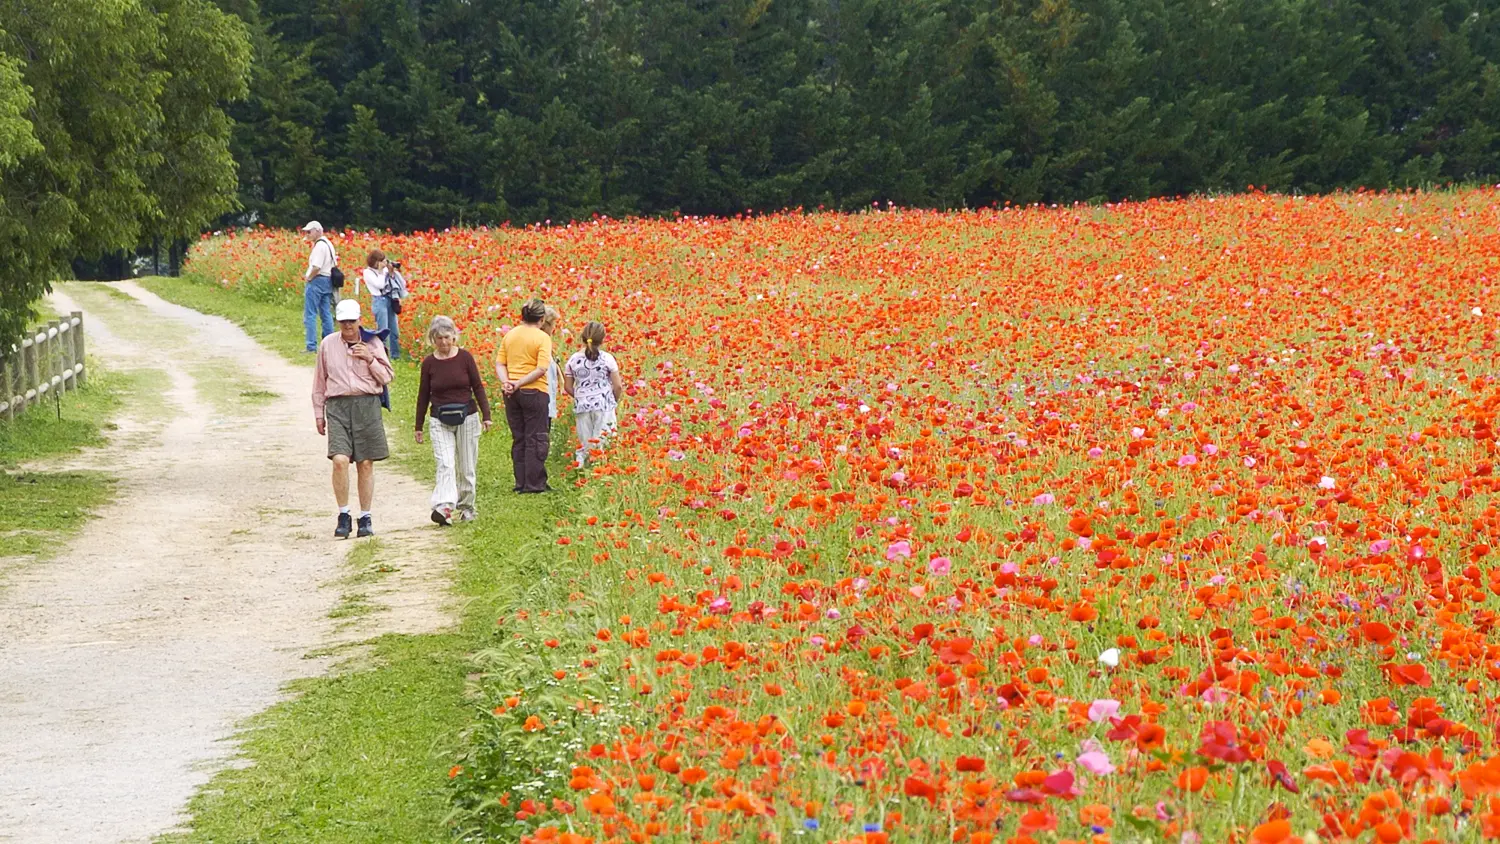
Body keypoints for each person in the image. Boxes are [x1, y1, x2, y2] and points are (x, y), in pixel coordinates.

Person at [312, 299, 394, 538]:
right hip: (337, 405)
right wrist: (319, 413)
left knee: (365, 463)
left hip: (366, 404)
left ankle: (365, 516)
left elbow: (387, 377)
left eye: (351, 321)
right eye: (343, 321)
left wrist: (369, 359)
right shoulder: (328, 344)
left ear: (360, 320)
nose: (348, 326)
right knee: (339, 459)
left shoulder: (373, 342)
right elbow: (319, 381)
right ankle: (344, 514)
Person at [415, 316, 492, 525]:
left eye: (447, 337)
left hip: (467, 416)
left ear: (454, 337)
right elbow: (423, 394)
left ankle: (467, 507)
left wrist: (487, 416)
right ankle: (445, 507)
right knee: (445, 463)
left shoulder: (465, 358)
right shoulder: (429, 363)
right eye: (439, 338)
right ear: (432, 339)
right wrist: (418, 426)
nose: (444, 343)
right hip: (439, 419)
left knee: (466, 466)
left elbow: (477, 386)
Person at [496, 299, 553, 493]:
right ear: (542, 318)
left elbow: (500, 363)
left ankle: (520, 481)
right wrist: (520, 382)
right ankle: (534, 483)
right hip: (534, 390)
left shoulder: (510, 335)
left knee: (519, 436)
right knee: (536, 436)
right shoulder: (542, 337)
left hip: (511, 392)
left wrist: (507, 383)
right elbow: (542, 368)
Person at [563, 321, 623, 467]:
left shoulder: (573, 360)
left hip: (582, 405)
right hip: (604, 404)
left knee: (585, 441)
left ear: (583, 337)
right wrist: (611, 400)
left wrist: (580, 397)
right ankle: (600, 471)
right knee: (602, 440)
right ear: (602, 339)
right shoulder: (607, 358)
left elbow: (568, 387)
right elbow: (618, 386)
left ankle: (581, 470)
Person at [302, 221, 338, 352]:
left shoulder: (319, 246)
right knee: (326, 313)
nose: (307, 234)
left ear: (317, 230)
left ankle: (311, 345)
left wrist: (309, 278)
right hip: (328, 280)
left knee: (310, 313)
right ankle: (330, 344)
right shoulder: (328, 244)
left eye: (309, 232)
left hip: (317, 280)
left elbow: (316, 266)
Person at [362, 249, 403, 359]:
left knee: (394, 331)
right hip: (379, 301)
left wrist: (391, 272)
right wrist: (381, 271)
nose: (384, 264)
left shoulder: (385, 270)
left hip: (389, 299)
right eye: (381, 261)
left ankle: (395, 355)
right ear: (375, 261)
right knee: (383, 330)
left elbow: (396, 282)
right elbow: (379, 285)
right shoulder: (367, 272)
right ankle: (383, 356)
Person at [541, 305, 562, 423]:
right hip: (541, 399)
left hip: (545, 399)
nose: (554, 328)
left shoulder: (546, 342)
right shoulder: (541, 342)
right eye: (553, 324)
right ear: (545, 324)